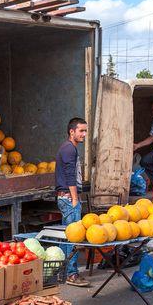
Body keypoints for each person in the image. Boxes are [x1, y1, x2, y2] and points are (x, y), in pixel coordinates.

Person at [56, 118, 90, 287]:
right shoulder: (69, 149)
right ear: (72, 132)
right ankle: (71, 274)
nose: (84, 134)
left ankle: (63, 272)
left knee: (66, 236)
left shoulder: (68, 147)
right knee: (73, 237)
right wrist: (75, 198)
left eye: (85, 131)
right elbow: (70, 175)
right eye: (81, 131)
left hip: (66, 197)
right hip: (69, 198)